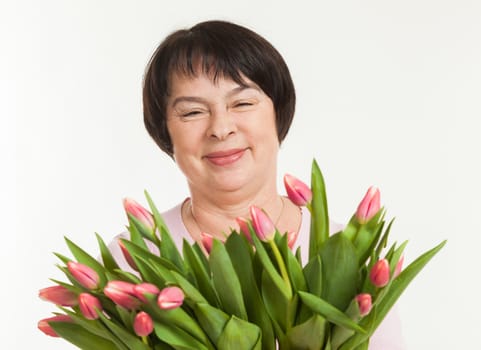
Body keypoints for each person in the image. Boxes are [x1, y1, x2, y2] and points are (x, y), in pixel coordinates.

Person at [108, 20, 404, 349]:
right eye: (192, 112)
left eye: (243, 103)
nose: (220, 128)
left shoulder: (346, 258)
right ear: (165, 132)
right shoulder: (135, 258)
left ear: (278, 113)